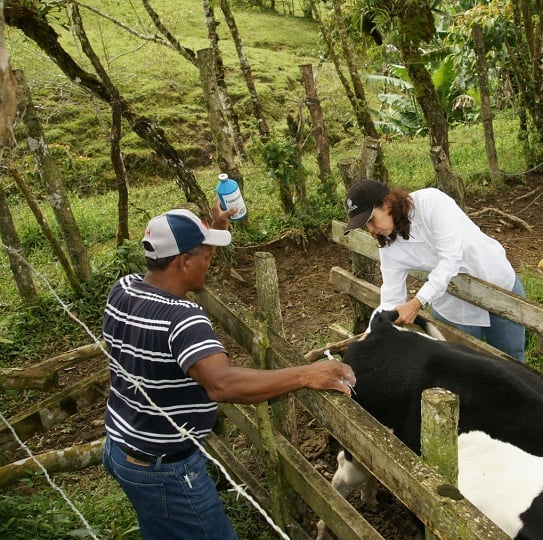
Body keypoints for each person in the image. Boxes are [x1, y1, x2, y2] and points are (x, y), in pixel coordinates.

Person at [101, 205, 355, 539]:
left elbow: (181, 279)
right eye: (206, 256)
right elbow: (222, 384)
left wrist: (209, 230)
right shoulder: (184, 319)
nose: (210, 263)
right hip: (167, 469)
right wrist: (306, 374)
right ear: (184, 262)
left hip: (120, 448)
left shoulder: (124, 289)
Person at [344, 180, 527, 362]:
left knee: (512, 361)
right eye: (365, 226)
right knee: (463, 369)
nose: (371, 230)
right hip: (454, 305)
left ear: (387, 203)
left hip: (496, 286)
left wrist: (417, 302)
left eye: (371, 220)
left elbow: (450, 258)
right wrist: (370, 334)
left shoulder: (431, 203)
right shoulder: (389, 246)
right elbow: (391, 296)